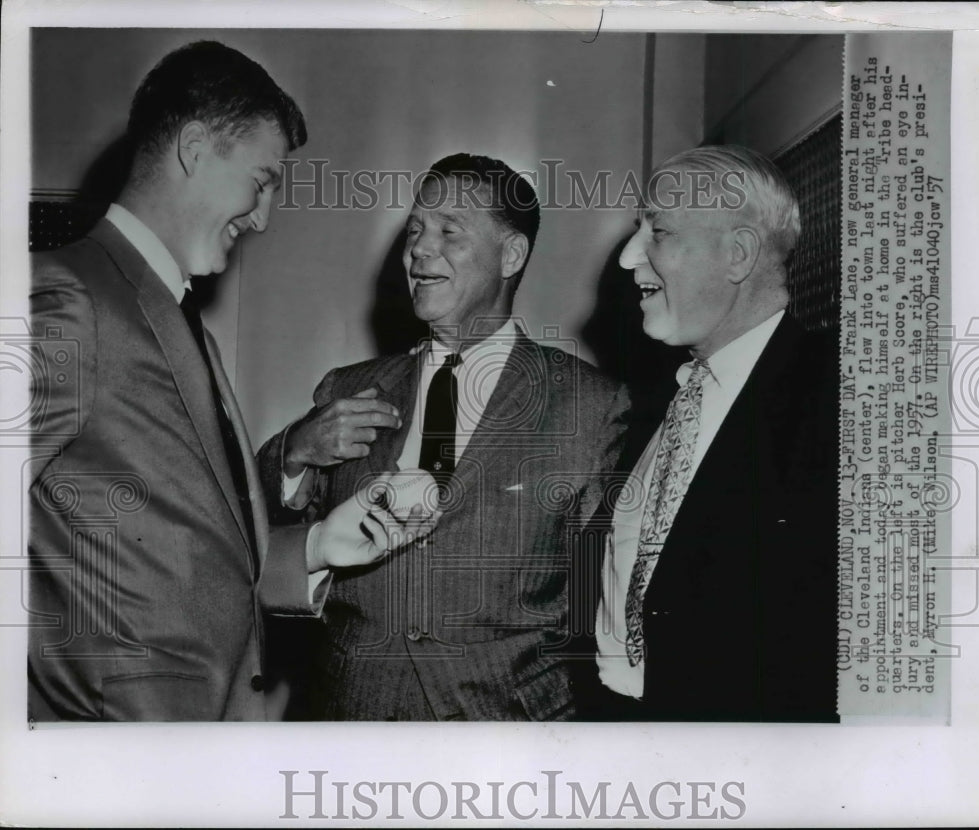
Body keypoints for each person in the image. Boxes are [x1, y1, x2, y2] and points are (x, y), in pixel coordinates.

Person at [28, 41, 415, 722]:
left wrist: (318, 546)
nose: (263, 217)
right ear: (196, 148)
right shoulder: (71, 294)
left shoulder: (176, 318)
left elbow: (191, 552)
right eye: (261, 182)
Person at [257, 153, 629, 720]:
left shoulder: (591, 405)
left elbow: (609, 601)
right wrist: (295, 452)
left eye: (449, 232)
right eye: (414, 232)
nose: (419, 250)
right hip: (353, 724)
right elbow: (236, 539)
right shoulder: (348, 389)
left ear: (511, 255)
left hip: (504, 737)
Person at [577, 144, 839, 722]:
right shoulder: (650, 404)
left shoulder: (844, 399)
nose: (626, 259)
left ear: (738, 254)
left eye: (659, 232)